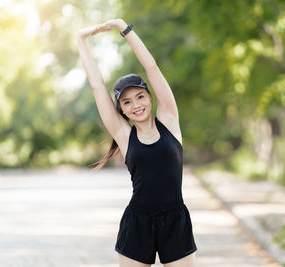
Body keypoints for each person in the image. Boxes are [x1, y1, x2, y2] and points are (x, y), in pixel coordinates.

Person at [76, 19, 197, 267]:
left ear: (150, 98)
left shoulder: (170, 120)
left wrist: (124, 28)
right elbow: (97, 86)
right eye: (127, 102)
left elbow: (151, 67)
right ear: (121, 109)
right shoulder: (123, 134)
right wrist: (81, 41)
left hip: (176, 221)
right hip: (137, 223)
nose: (136, 105)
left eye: (140, 96)